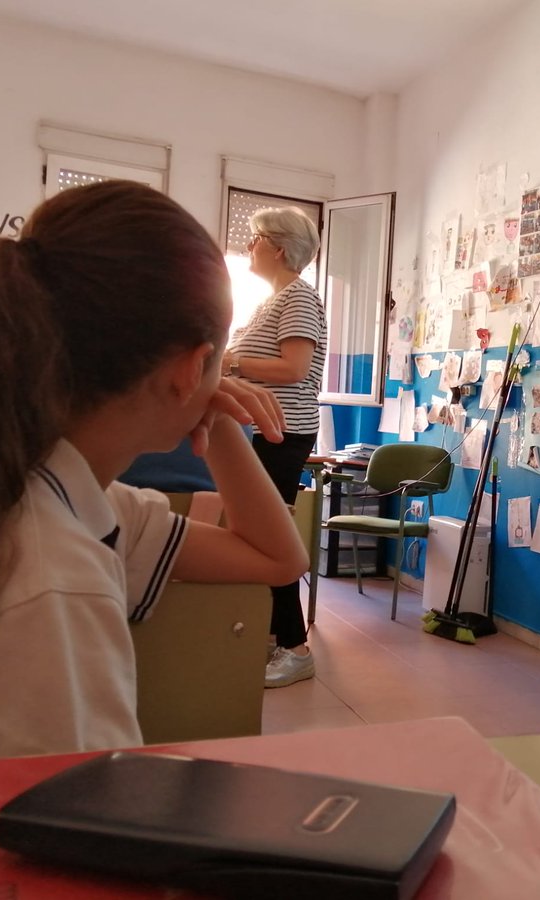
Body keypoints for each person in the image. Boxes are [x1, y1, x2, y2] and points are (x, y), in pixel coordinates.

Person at [0, 180, 308, 760]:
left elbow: (279, 560)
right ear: (193, 367)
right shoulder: (55, 568)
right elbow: (64, 829)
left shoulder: (51, 494)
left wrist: (221, 422)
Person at [222, 206, 326, 688]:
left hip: (281, 432)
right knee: (256, 532)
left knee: (267, 534)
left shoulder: (299, 299)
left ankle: (294, 646)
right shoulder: (273, 300)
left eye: (255, 239)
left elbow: (293, 370)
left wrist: (235, 361)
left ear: (279, 248)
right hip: (264, 430)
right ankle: (270, 633)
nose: (249, 247)